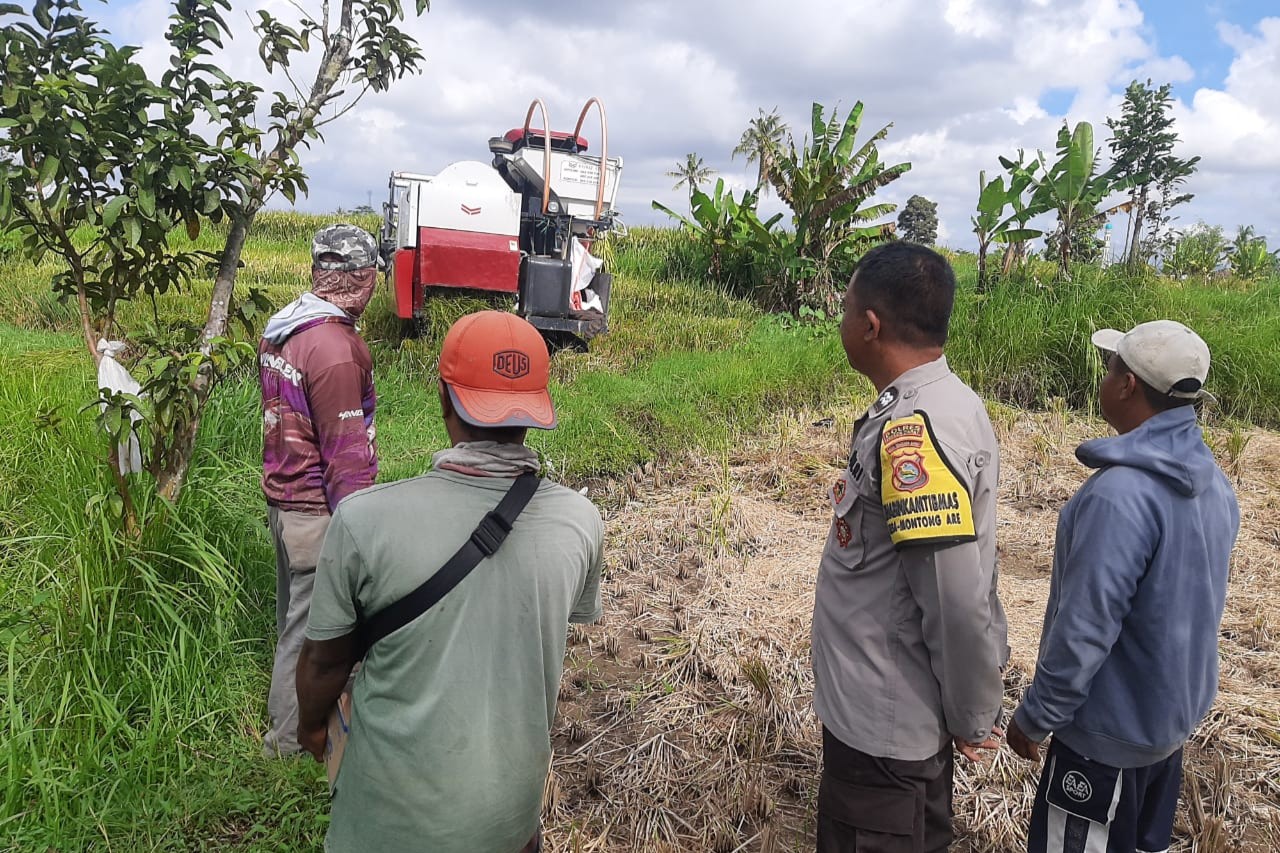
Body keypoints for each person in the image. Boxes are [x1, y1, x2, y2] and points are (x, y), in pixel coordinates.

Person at [295, 310, 604, 853]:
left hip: (387, 827)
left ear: (444, 399)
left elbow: (323, 662)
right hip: (511, 820)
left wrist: (311, 729)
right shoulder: (581, 521)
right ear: (536, 408)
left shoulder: (365, 520)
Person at [1006, 320, 1239, 853]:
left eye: (1111, 366)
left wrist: (1037, 716)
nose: (1104, 377)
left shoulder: (1119, 498)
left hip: (1103, 745)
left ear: (1128, 384)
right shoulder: (1212, 484)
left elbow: (1085, 628)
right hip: (1164, 732)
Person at [810, 242, 1009, 853]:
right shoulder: (949, 402)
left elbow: (953, 599)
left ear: (870, 325)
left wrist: (975, 715)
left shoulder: (913, 432)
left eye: (845, 309)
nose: (840, 322)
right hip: (887, 720)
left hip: (883, 732)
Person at [258, 223, 380, 757]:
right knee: (313, 636)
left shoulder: (286, 328)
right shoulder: (333, 348)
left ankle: (297, 730)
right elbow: (347, 459)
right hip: (316, 512)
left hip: (284, 499)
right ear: (362, 277)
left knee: (295, 622)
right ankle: (287, 747)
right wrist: (365, 534)